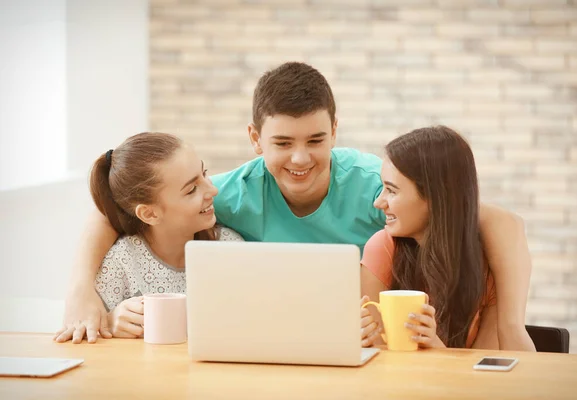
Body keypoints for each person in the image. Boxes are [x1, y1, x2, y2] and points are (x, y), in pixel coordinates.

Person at [57, 62, 533, 346]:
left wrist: (509, 321)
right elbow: (112, 213)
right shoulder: (225, 193)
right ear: (254, 139)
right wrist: (81, 289)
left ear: (335, 132)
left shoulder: (375, 184)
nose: (300, 158)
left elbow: (492, 218)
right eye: (282, 142)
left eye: (316, 139)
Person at [360, 126, 535, 351]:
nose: (379, 202)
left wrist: (437, 351)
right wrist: (364, 342)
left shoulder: (486, 263)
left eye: (392, 191)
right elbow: (380, 358)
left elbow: (484, 372)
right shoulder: (383, 248)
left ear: (434, 197)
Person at [54, 132, 242, 341]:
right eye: (191, 190)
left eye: (204, 173)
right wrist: (111, 321)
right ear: (150, 213)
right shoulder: (122, 262)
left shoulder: (230, 247)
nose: (213, 190)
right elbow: (88, 332)